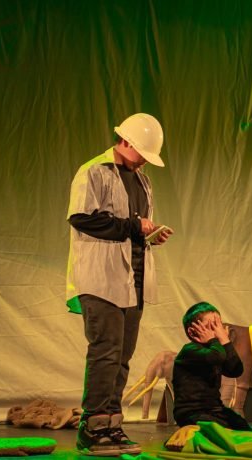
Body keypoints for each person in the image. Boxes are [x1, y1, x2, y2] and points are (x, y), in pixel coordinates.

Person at [66, 113, 172, 456]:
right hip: (101, 281)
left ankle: (112, 426)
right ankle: (92, 428)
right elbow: (82, 218)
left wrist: (150, 234)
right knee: (105, 353)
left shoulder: (142, 181)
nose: (143, 160)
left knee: (122, 357)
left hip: (133, 280)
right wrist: (133, 226)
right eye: (141, 152)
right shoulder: (94, 171)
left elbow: (133, 227)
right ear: (125, 142)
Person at [172, 302, 252, 431]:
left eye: (219, 326)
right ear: (192, 331)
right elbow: (215, 357)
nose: (218, 332)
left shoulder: (216, 350)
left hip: (215, 410)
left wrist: (226, 343)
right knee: (221, 432)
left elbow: (235, 370)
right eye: (211, 326)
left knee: (245, 429)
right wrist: (219, 340)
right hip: (192, 413)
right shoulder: (190, 351)